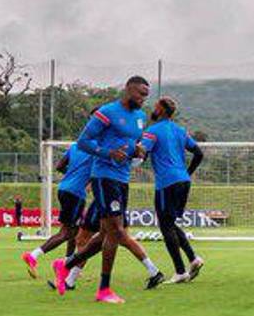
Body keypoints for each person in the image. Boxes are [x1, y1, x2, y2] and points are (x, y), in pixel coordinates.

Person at [52, 76, 164, 303]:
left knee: (106, 233)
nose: (144, 99)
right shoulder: (107, 112)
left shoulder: (141, 118)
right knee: (116, 232)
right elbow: (84, 141)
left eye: (146, 95)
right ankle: (104, 289)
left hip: (123, 178)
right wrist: (107, 153)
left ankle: (66, 265)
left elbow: (131, 144)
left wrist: (138, 150)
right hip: (104, 177)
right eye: (140, 94)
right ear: (128, 90)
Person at [140, 97, 205, 284]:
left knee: (165, 225)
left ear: (160, 109)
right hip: (183, 181)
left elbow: (140, 153)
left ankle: (180, 271)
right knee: (170, 223)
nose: (153, 109)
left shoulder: (152, 131)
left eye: (155, 106)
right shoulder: (180, 131)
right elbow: (199, 153)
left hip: (166, 183)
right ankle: (193, 259)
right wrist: (187, 173)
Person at [21, 141, 93, 277]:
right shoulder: (96, 150)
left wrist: (72, 174)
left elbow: (59, 166)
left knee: (74, 231)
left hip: (63, 189)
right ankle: (33, 255)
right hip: (76, 193)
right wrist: (84, 180)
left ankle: (67, 265)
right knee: (65, 233)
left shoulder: (75, 146)